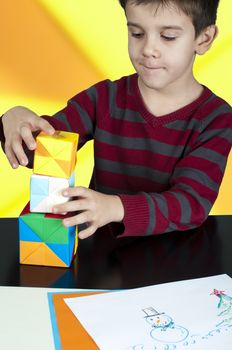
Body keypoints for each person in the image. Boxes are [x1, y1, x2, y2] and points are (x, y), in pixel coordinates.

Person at [0, 0, 231, 240]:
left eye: (168, 37)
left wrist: (115, 207)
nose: (148, 49)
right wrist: (15, 120)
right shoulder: (104, 98)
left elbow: (191, 204)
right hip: (100, 252)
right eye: (137, 33)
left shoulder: (216, 118)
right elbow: (41, 150)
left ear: (204, 39)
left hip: (176, 255)